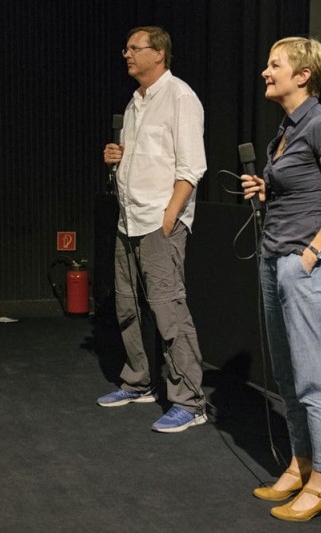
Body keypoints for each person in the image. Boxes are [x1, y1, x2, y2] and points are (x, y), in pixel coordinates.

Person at [241, 37, 321, 521]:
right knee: (289, 378)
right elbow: (302, 190)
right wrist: (267, 188)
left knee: (316, 378)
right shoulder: (286, 132)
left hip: (308, 265)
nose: (266, 72)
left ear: (302, 75)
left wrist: (309, 256)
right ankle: (302, 461)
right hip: (277, 259)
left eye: (275, 65)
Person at [98, 26, 208, 433]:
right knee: (128, 306)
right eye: (125, 47)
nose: (126, 54)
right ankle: (138, 382)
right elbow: (147, 157)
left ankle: (189, 400)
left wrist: (170, 216)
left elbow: (191, 166)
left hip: (160, 220)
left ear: (158, 53)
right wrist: (118, 156)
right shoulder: (134, 103)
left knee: (168, 309)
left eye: (134, 48)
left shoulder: (180, 97)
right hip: (129, 218)